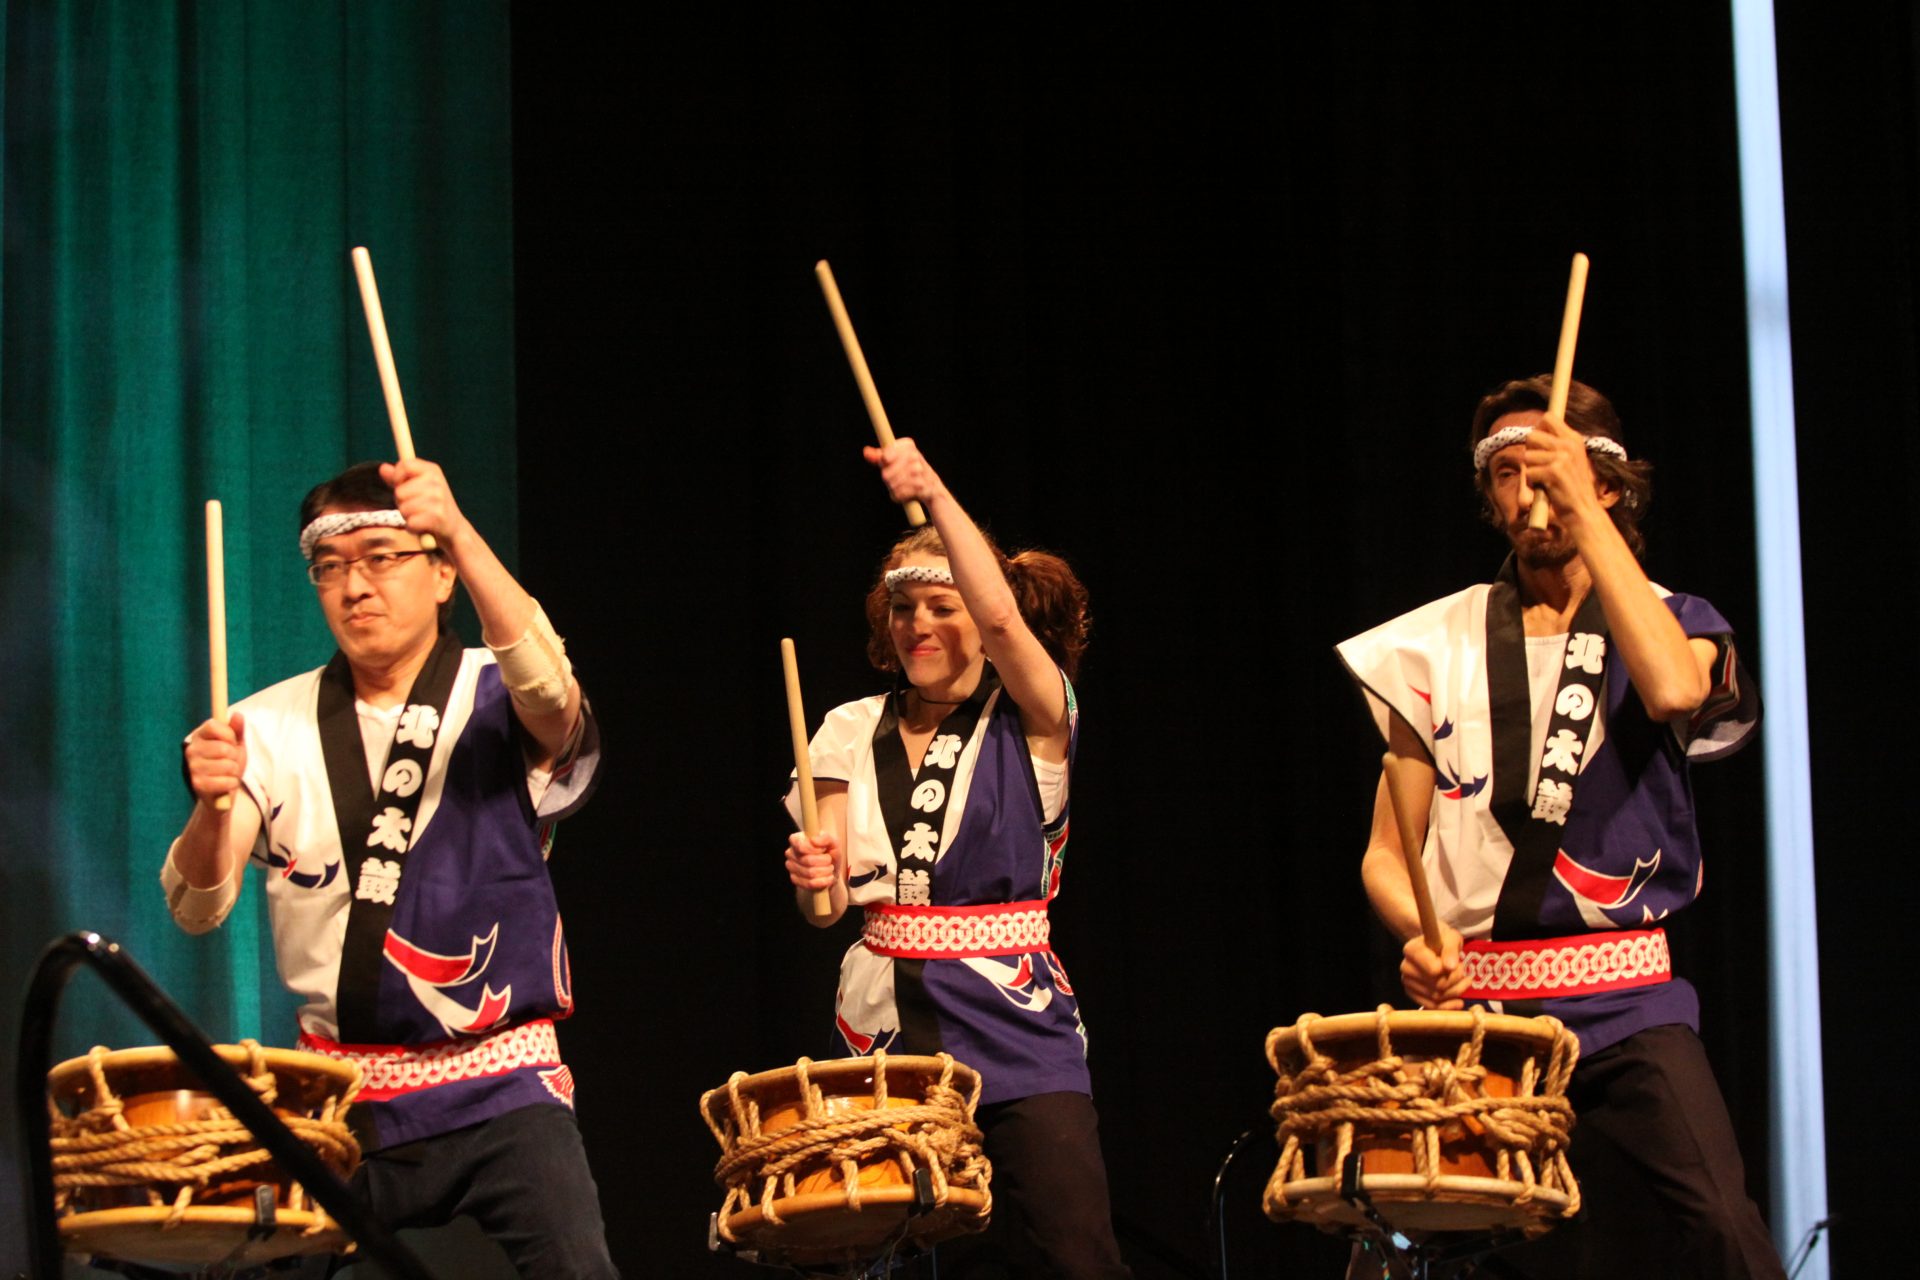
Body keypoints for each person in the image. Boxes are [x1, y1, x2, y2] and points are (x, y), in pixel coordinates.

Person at [1336, 376, 1785, 1278]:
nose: (1528, 493)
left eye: (1552, 472)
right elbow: (1389, 855)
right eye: (1507, 472)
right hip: (1484, 1011)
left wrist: (1582, 505)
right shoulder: (1431, 645)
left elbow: (1674, 691)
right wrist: (1418, 937)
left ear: (1609, 485)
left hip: (1627, 998)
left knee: (1721, 1226)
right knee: (1443, 1250)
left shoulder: (1681, 623)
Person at [161, 458, 617, 1278]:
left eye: (383, 556)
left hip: (501, 1083)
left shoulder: (495, 693)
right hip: (343, 1100)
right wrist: (211, 805)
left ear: (441, 572)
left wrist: (460, 531)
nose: (354, 586)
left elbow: (553, 690)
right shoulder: (262, 726)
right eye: (330, 568)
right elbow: (197, 907)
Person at [783, 437, 1131, 1279]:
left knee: (1075, 1249)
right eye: (904, 610)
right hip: (883, 1015)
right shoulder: (844, 727)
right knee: (878, 1256)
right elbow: (826, 911)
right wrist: (814, 882)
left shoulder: (1034, 712)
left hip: (1015, 1011)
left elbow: (1009, 618)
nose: (919, 625)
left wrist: (934, 495)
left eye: (943, 605)